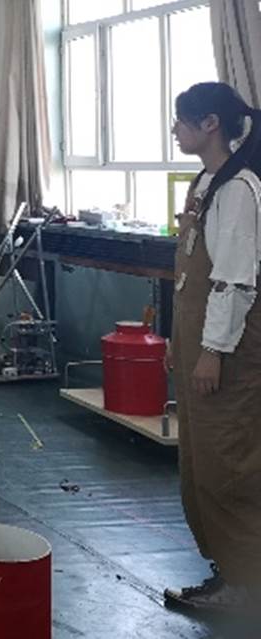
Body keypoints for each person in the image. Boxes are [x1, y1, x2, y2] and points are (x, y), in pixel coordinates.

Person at [163, 82, 261, 612]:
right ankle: (228, 569)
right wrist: (178, 341)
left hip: (228, 348)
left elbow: (235, 281)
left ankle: (247, 584)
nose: (175, 130)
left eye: (182, 121)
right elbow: (189, 274)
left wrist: (213, 350)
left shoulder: (239, 189)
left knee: (229, 462)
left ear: (211, 124)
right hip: (196, 335)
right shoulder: (204, 183)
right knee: (200, 460)